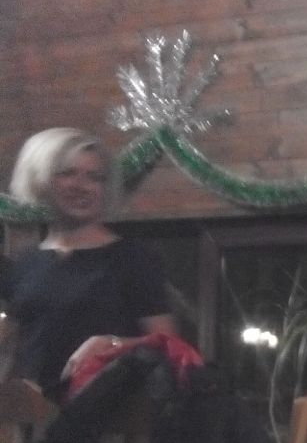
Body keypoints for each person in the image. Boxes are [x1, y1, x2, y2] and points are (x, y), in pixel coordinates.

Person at [2, 128, 176, 397]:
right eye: (68, 173)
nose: (81, 186)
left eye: (94, 177)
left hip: (107, 413)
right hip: (34, 414)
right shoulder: (27, 263)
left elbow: (169, 347)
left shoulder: (133, 258)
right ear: (41, 179)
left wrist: (113, 344)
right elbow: (14, 351)